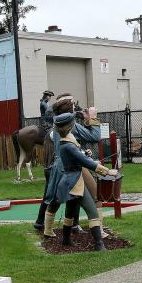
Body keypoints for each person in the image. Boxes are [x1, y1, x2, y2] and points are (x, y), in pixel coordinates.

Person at [46, 109, 118, 251]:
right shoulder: (68, 145)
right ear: (71, 127)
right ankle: (99, 244)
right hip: (74, 182)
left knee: (70, 212)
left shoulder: (65, 141)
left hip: (69, 181)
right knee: (92, 211)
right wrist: (108, 171)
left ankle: (66, 239)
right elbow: (86, 162)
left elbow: (78, 155)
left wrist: (84, 153)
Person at [33, 94, 100, 232]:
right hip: (71, 167)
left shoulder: (57, 122)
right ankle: (99, 235)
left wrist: (81, 151)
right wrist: (92, 117)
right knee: (94, 198)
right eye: (72, 103)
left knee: (55, 200)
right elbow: (95, 136)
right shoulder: (71, 125)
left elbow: (71, 143)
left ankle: (49, 229)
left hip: (57, 166)